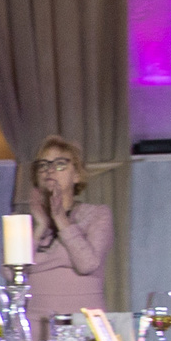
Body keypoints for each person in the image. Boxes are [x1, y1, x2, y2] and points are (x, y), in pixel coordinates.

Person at [25, 134, 111, 321]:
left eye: (60, 164)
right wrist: (40, 226)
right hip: (36, 323)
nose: (50, 170)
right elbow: (10, 272)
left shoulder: (97, 214)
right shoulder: (24, 223)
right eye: (43, 165)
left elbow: (87, 264)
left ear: (77, 175)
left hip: (83, 323)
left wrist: (60, 219)